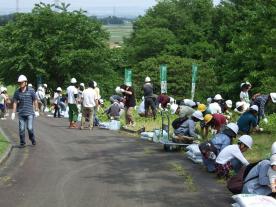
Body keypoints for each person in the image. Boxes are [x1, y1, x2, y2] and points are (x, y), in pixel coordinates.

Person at [11, 75, 39, 147]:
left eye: (22, 83)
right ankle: (22, 143)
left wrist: (36, 110)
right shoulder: (17, 92)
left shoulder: (31, 90)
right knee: (21, 129)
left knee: (29, 128)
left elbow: (35, 100)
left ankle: (32, 139)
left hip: (30, 113)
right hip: (21, 114)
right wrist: (13, 112)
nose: (20, 84)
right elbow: (15, 102)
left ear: (25, 82)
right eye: (19, 83)